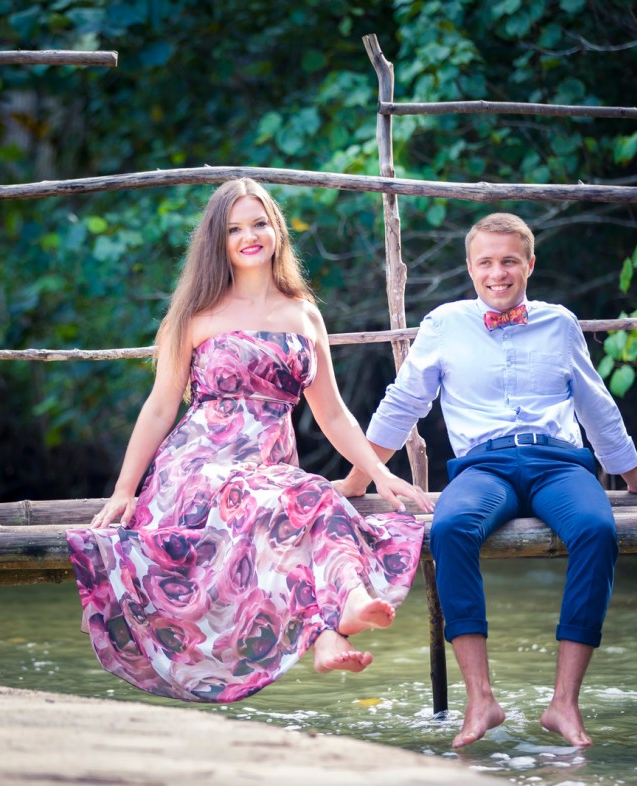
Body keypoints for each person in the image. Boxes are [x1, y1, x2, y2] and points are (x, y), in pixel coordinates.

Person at [66, 178, 430, 704]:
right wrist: (126, 489)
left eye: (259, 223)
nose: (250, 236)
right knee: (284, 497)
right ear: (219, 241)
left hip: (266, 465)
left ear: (276, 230)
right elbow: (161, 405)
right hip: (199, 465)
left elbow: (330, 412)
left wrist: (379, 472)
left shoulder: (303, 312)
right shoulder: (196, 315)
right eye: (235, 229)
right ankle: (335, 618)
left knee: (312, 496)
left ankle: (335, 621)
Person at [334, 212, 637, 748]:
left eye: (509, 262)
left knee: (597, 531)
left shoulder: (560, 323)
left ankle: (564, 704)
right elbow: (404, 403)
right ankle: (481, 701)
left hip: (560, 463)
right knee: (449, 530)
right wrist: (361, 479)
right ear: (470, 267)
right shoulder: (445, 325)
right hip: (484, 467)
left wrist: (635, 478)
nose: (497, 273)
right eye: (486, 263)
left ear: (529, 264)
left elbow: (596, 405)